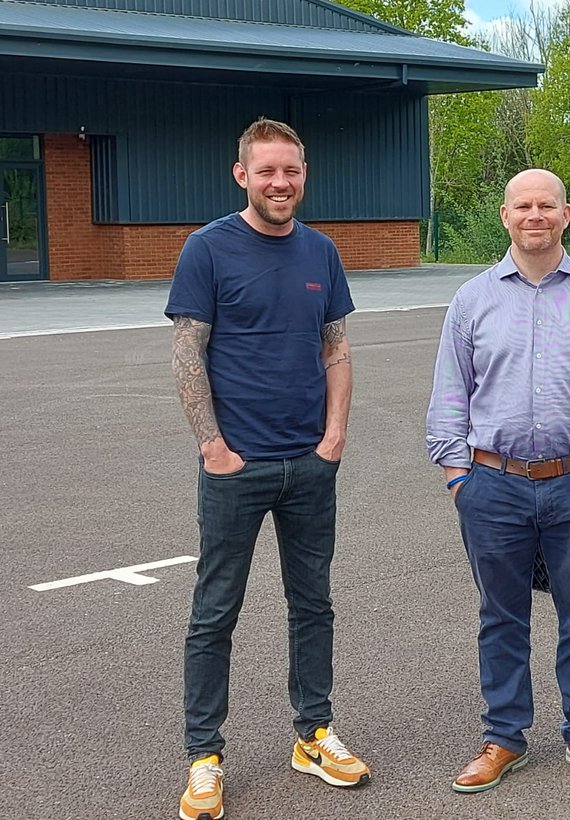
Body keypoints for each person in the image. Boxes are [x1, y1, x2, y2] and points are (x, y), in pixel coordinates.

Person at [166, 117, 369, 820]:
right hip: (235, 468)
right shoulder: (208, 249)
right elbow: (189, 354)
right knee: (213, 614)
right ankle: (204, 756)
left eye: (292, 171)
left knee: (313, 605)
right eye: (267, 171)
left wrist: (334, 437)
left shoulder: (321, 251)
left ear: (303, 174)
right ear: (242, 174)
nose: (280, 183)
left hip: (309, 466)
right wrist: (214, 448)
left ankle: (312, 734)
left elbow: (336, 348)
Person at [426, 168, 570, 795]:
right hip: (491, 484)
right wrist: (456, 474)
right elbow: (450, 391)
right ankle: (503, 737)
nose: (534, 216)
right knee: (501, 615)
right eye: (522, 205)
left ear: (566, 215)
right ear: (505, 216)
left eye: (546, 205)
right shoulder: (472, 299)